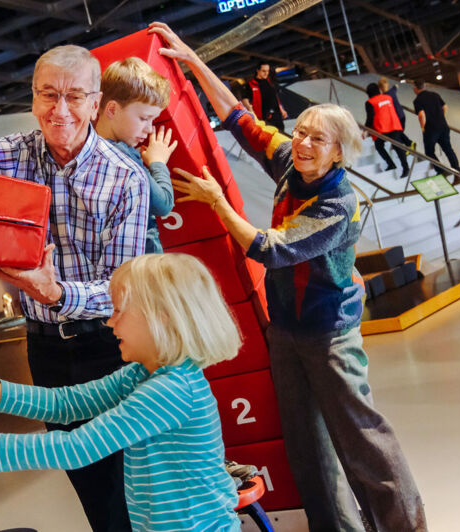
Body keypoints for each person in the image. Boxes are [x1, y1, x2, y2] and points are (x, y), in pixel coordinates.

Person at [149, 21, 428, 532]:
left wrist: (215, 201)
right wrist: (191, 60)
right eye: (299, 131)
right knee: (307, 450)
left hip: (329, 337)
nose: (301, 142)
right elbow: (240, 117)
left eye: (316, 139)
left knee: (362, 440)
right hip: (288, 333)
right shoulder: (290, 164)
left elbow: (269, 249)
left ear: (338, 151)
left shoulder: (339, 202)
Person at [0, 44, 148, 532]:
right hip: (44, 348)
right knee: (88, 484)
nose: (60, 111)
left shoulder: (125, 180)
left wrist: (56, 294)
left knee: (126, 486)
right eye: (48, 95)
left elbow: (121, 290)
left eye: (75, 97)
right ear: (33, 98)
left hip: (109, 345)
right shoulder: (13, 154)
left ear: (96, 104)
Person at [0, 253, 243, 532]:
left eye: (119, 312)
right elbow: (68, 403)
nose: (109, 323)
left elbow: (78, 446)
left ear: (161, 318)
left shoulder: (170, 390)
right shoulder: (143, 374)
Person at [95, 58, 178, 253]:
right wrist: (158, 162)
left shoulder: (91, 149)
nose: (149, 129)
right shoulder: (123, 157)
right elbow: (164, 204)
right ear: (112, 109)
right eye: (144, 118)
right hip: (142, 264)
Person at [365, 83, 415, 177]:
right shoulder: (388, 98)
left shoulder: (370, 102)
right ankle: (405, 168)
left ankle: (391, 164)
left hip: (381, 128)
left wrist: (365, 130)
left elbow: (370, 118)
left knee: (379, 146)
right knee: (398, 147)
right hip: (393, 125)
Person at [413, 80, 460, 175]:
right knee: (448, 148)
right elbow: (445, 107)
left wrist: (423, 127)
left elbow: (422, 114)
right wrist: (441, 117)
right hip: (443, 126)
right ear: (424, 86)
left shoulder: (417, 100)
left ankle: (440, 170)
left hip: (431, 129)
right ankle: (456, 169)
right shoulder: (435, 95)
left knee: (429, 151)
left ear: (415, 88)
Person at [248, 62, 287, 133]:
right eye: (263, 71)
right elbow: (247, 100)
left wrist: (282, 109)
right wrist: (253, 115)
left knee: (281, 132)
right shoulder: (251, 84)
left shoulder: (270, 82)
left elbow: (275, 97)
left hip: (276, 114)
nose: (266, 73)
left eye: (267, 71)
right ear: (258, 70)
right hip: (264, 116)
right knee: (270, 134)